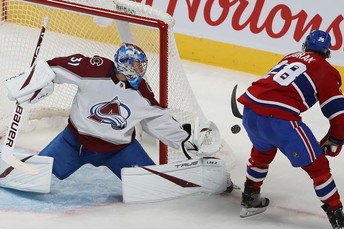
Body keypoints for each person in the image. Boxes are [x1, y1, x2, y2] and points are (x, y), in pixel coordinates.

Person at [6, 43, 219, 182]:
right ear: (122, 65)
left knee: (151, 182)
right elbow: (54, 68)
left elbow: (157, 120)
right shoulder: (93, 70)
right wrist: (33, 82)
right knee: (32, 177)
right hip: (74, 143)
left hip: (119, 150)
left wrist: (183, 140)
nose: (139, 71)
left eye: (141, 66)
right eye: (135, 66)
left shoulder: (142, 92)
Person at [236, 30, 344, 229]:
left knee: (261, 152)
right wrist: (336, 138)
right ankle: (338, 217)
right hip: (280, 120)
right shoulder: (327, 70)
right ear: (328, 52)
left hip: (250, 109)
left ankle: (250, 198)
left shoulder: (290, 56)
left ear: (304, 45)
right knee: (318, 167)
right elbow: (340, 114)